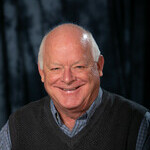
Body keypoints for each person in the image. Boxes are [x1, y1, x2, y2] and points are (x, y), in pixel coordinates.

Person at [0, 23, 150, 150]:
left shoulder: (138, 124)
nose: (67, 79)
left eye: (78, 66)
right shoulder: (18, 126)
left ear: (99, 66)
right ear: (42, 72)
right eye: (55, 68)